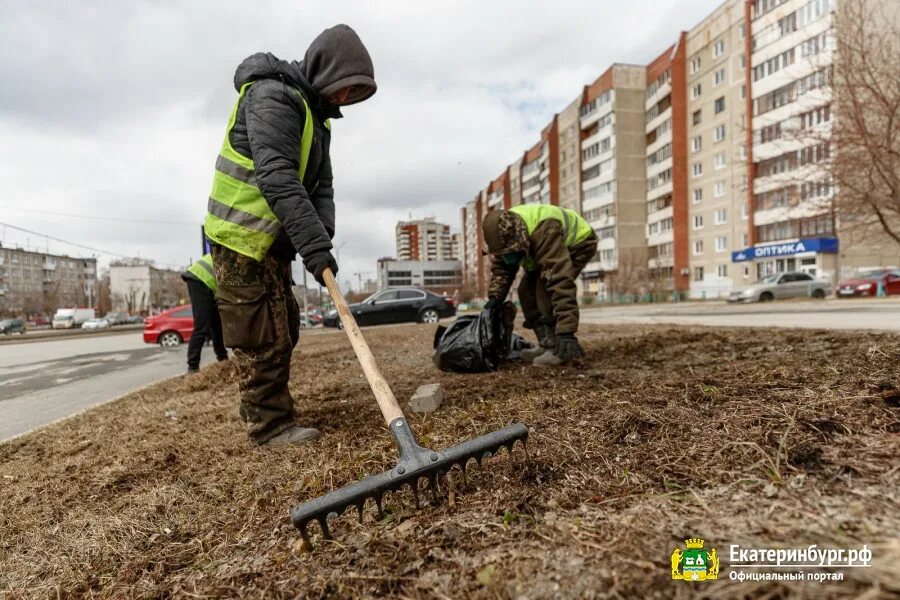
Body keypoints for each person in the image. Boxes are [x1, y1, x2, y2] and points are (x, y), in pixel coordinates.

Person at [203, 25, 377, 446]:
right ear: (324, 70)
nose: (343, 100)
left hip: (274, 239)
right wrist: (314, 249)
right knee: (260, 335)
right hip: (240, 235)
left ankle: (271, 408)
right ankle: (269, 426)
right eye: (342, 89)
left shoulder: (317, 119)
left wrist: (322, 232)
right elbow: (277, 177)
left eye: (353, 94)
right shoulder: (273, 97)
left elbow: (321, 187)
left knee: (286, 328)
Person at [482, 205, 598, 366]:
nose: (507, 256)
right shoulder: (503, 236)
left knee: (544, 290)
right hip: (540, 248)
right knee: (525, 291)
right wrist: (495, 298)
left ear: (519, 238)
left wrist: (567, 331)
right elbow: (502, 270)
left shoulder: (544, 230)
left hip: (579, 244)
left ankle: (560, 348)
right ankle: (547, 343)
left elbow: (559, 281)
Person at [181, 253, 228, 374]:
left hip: (206, 282)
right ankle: (193, 367)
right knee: (202, 326)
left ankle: (223, 360)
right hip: (199, 279)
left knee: (217, 324)